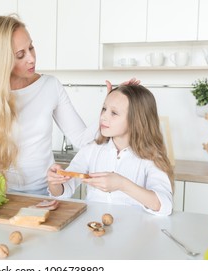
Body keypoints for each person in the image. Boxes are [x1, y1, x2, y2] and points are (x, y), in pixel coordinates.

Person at [0, 14, 138, 195]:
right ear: (1, 61)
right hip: (0, 197)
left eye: (31, 47)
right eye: (20, 55)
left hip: (45, 194)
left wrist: (109, 106)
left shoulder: (50, 86)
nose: (31, 58)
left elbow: (82, 139)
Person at [47, 84, 174, 216]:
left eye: (114, 113)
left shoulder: (152, 156)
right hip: (94, 228)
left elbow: (164, 205)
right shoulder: (91, 149)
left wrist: (122, 184)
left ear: (136, 120)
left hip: (134, 233)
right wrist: (54, 182)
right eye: (104, 109)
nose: (103, 117)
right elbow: (64, 190)